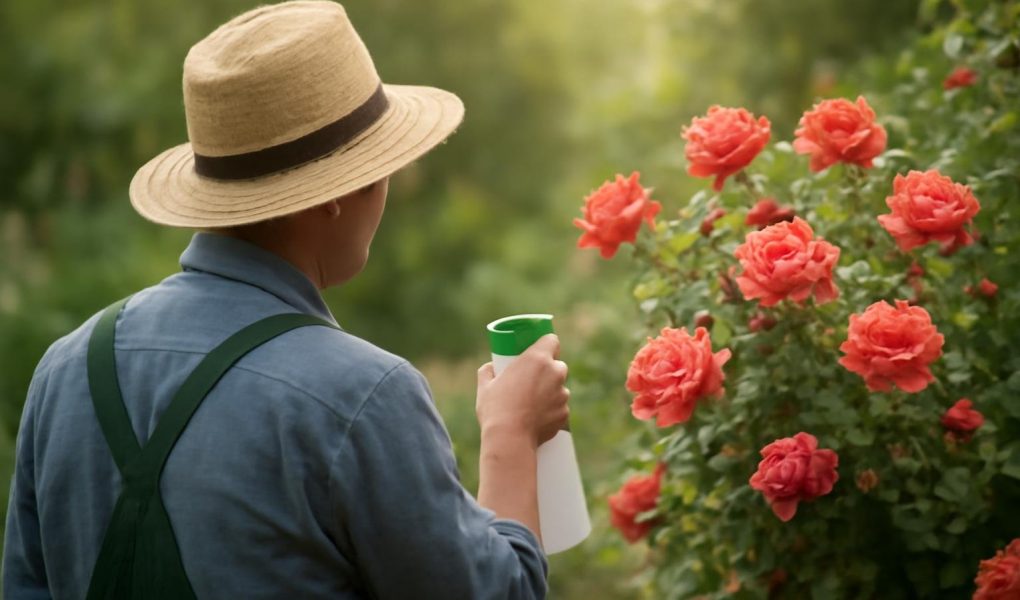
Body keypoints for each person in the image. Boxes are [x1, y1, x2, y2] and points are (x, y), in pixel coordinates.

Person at [2, 2, 569, 598]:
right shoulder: (362, 398)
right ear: (333, 194)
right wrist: (510, 434)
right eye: (382, 169)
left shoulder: (64, 371)